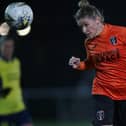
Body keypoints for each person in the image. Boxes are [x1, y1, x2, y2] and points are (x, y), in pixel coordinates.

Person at [69, 0, 126, 126]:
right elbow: (91, 63)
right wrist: (79, 65)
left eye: (86, 25)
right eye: (81, 27)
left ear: (97, 19)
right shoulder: (89, 42)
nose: (84, 30)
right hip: (103, 90)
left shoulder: (121, 33)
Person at [0, 36, 33, 126]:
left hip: (19, 107)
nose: (9, 49)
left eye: (11, 46)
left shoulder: (16, 63)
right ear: (1, 47)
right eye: (6, 46)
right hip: (3, 110)